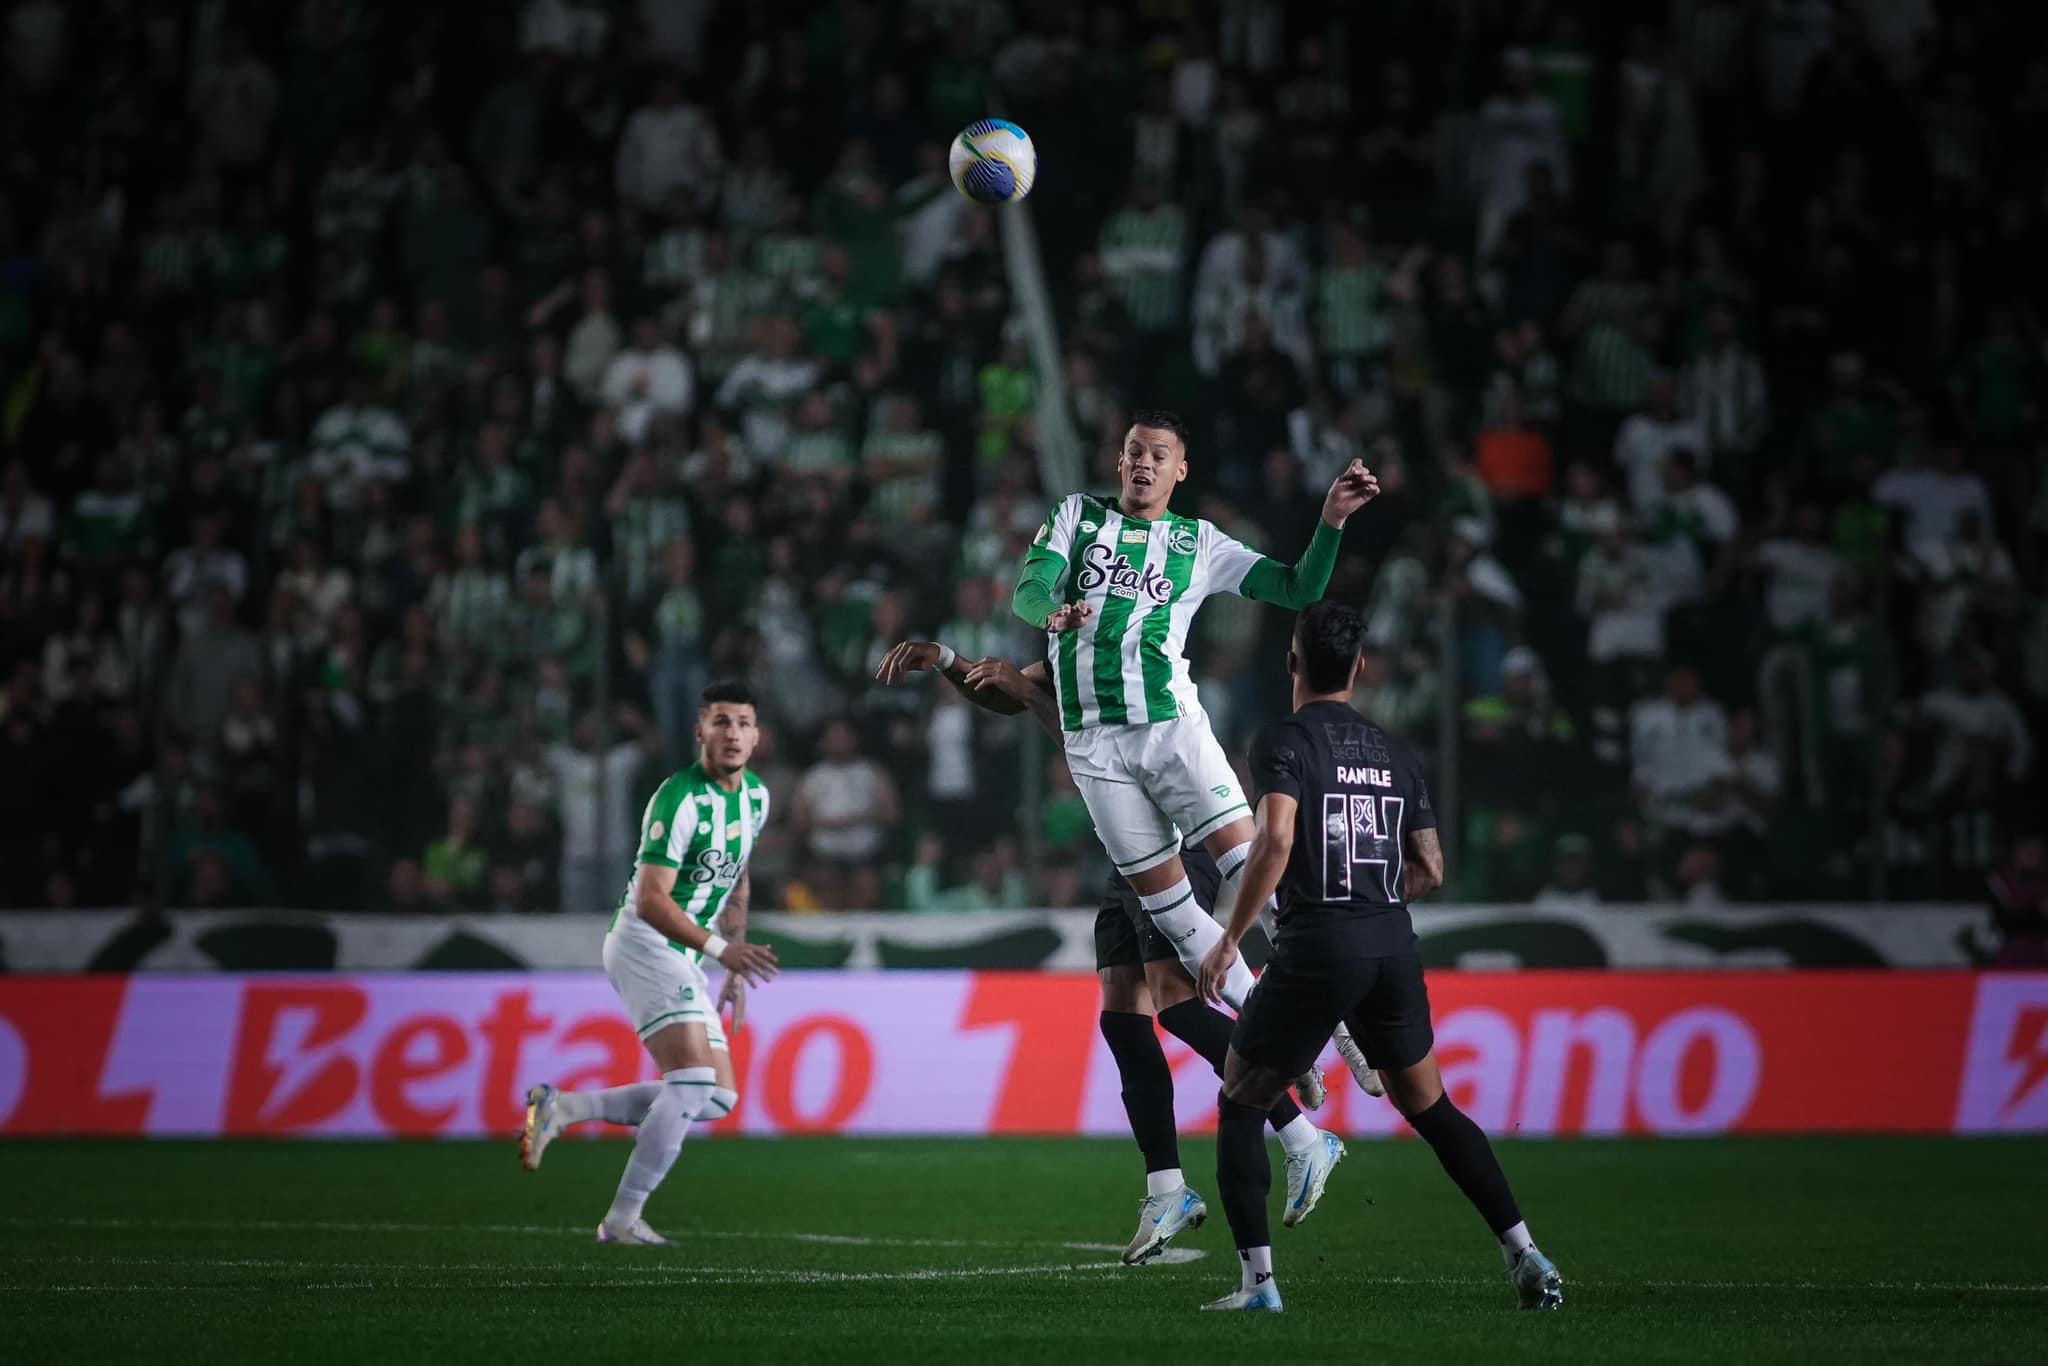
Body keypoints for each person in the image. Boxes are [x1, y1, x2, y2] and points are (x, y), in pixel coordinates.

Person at [878, 638, 1380, 1267]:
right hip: (1124, 845)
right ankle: (1169, 1189)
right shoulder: (1069, 646)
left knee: (1175, 999)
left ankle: (1302, 1130)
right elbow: (999, 694)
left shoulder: (1123, 643)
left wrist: (1028, 689)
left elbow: (1088, 737)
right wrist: (949, 661)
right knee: (1123, 1014)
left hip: (1168, 830)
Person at [1195, 601, 1563, 1313]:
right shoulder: (1396, 752)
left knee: (1242, 1099)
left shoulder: (1283, 740)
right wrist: (1372, 905)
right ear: (1360, 669)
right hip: (1391, 941)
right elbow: (1430, 866)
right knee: (1429, 1105)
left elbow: (1273, 842)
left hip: (1317, 942)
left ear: (1293, 664)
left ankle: (1259, 1288)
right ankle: (1526, 1253)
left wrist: (1232, 937)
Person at [1007, 409, 1378, 1027]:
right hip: (1094, 746)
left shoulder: (1198, 543)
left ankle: (1338, 1019)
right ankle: (1269, 1031)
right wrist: (1051, 613)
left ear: (1180, 470)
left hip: (1171, 730)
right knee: (1176, 916)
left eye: (1158, 455)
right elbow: (1028, 588)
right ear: (1119, 460)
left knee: (1254, 869)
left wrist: (1332, 520)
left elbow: (1296, 589)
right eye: (1134, 452)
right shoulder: (1076, 515)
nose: (1143, 464)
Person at [518, 682, 780, 1245]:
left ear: (757, 736)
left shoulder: (756, 798)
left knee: (716, 1096)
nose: (731, 733)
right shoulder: (679, 798)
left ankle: (562, 1109)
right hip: (643, 942)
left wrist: (732, 962)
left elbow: (736, 876)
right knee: (690, 1083)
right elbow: (652, 900)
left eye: (742, 723)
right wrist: (722, 951)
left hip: (689, 952)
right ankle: (620, 1222)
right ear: (700, 732)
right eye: (720, 722)